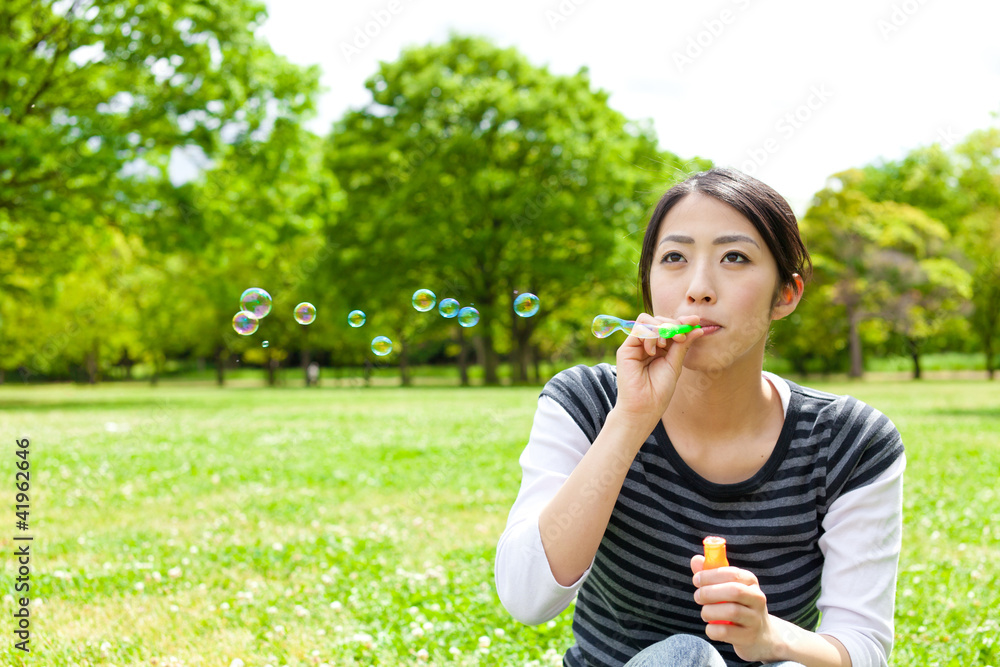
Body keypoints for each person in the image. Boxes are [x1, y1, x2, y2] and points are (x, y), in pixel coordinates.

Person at [494, 168, 905, 667]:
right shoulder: (587, 402)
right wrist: (630, 420)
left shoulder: (850, 441)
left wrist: (771, 637)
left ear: (787, 294)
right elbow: (526, 596)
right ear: (648, 286)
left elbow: (864, 648)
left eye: (734, 257)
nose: (699, 287)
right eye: (674, 258)